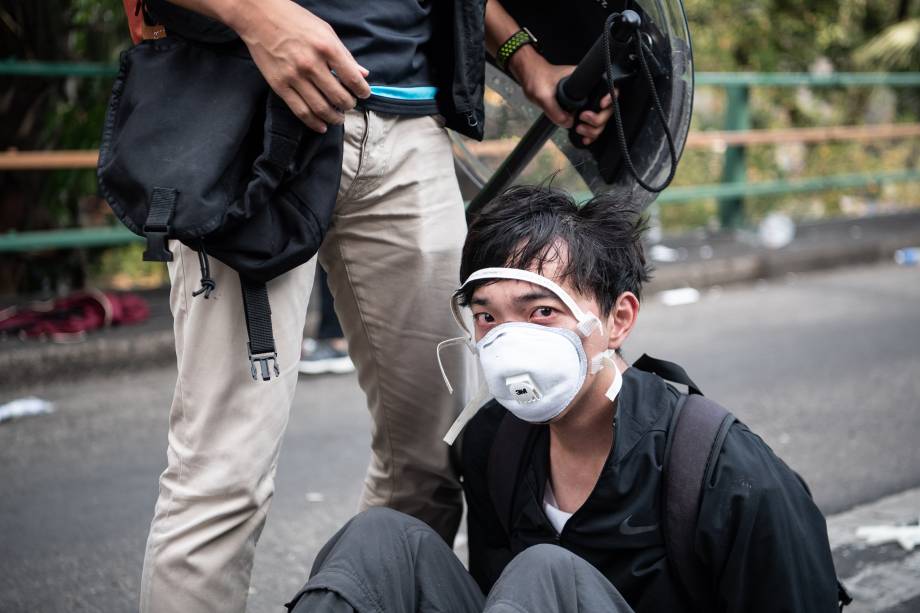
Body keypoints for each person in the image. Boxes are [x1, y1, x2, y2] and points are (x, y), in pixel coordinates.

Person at [136, 0, 615, 610]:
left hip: (410, 125)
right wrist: (257, 17)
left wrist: (527, 59)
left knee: (429, 463)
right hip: (250, 101)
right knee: (223, 475)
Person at [286, 185, 843, 613]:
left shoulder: (727, 472)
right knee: (378, 538)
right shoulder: (492, 443)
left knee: (547, 572)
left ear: (618, 319)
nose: (506, 341)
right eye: (487, 316)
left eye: (541, 312)